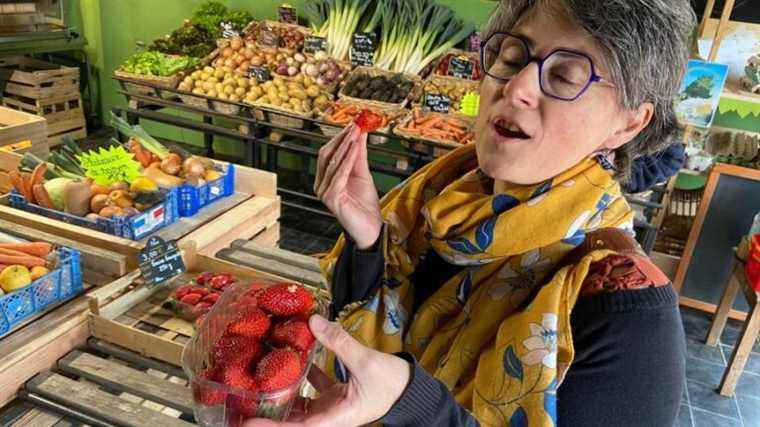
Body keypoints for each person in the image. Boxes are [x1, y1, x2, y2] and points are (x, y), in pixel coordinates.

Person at [247, 0, 695, 426]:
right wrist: (369, 243)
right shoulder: (434, 202)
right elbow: (368, 334)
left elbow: (399, 392)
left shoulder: (626, 312)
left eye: (564, 76)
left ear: (629, 123)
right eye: (514, 56)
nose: (516, 88)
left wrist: (413, 403)